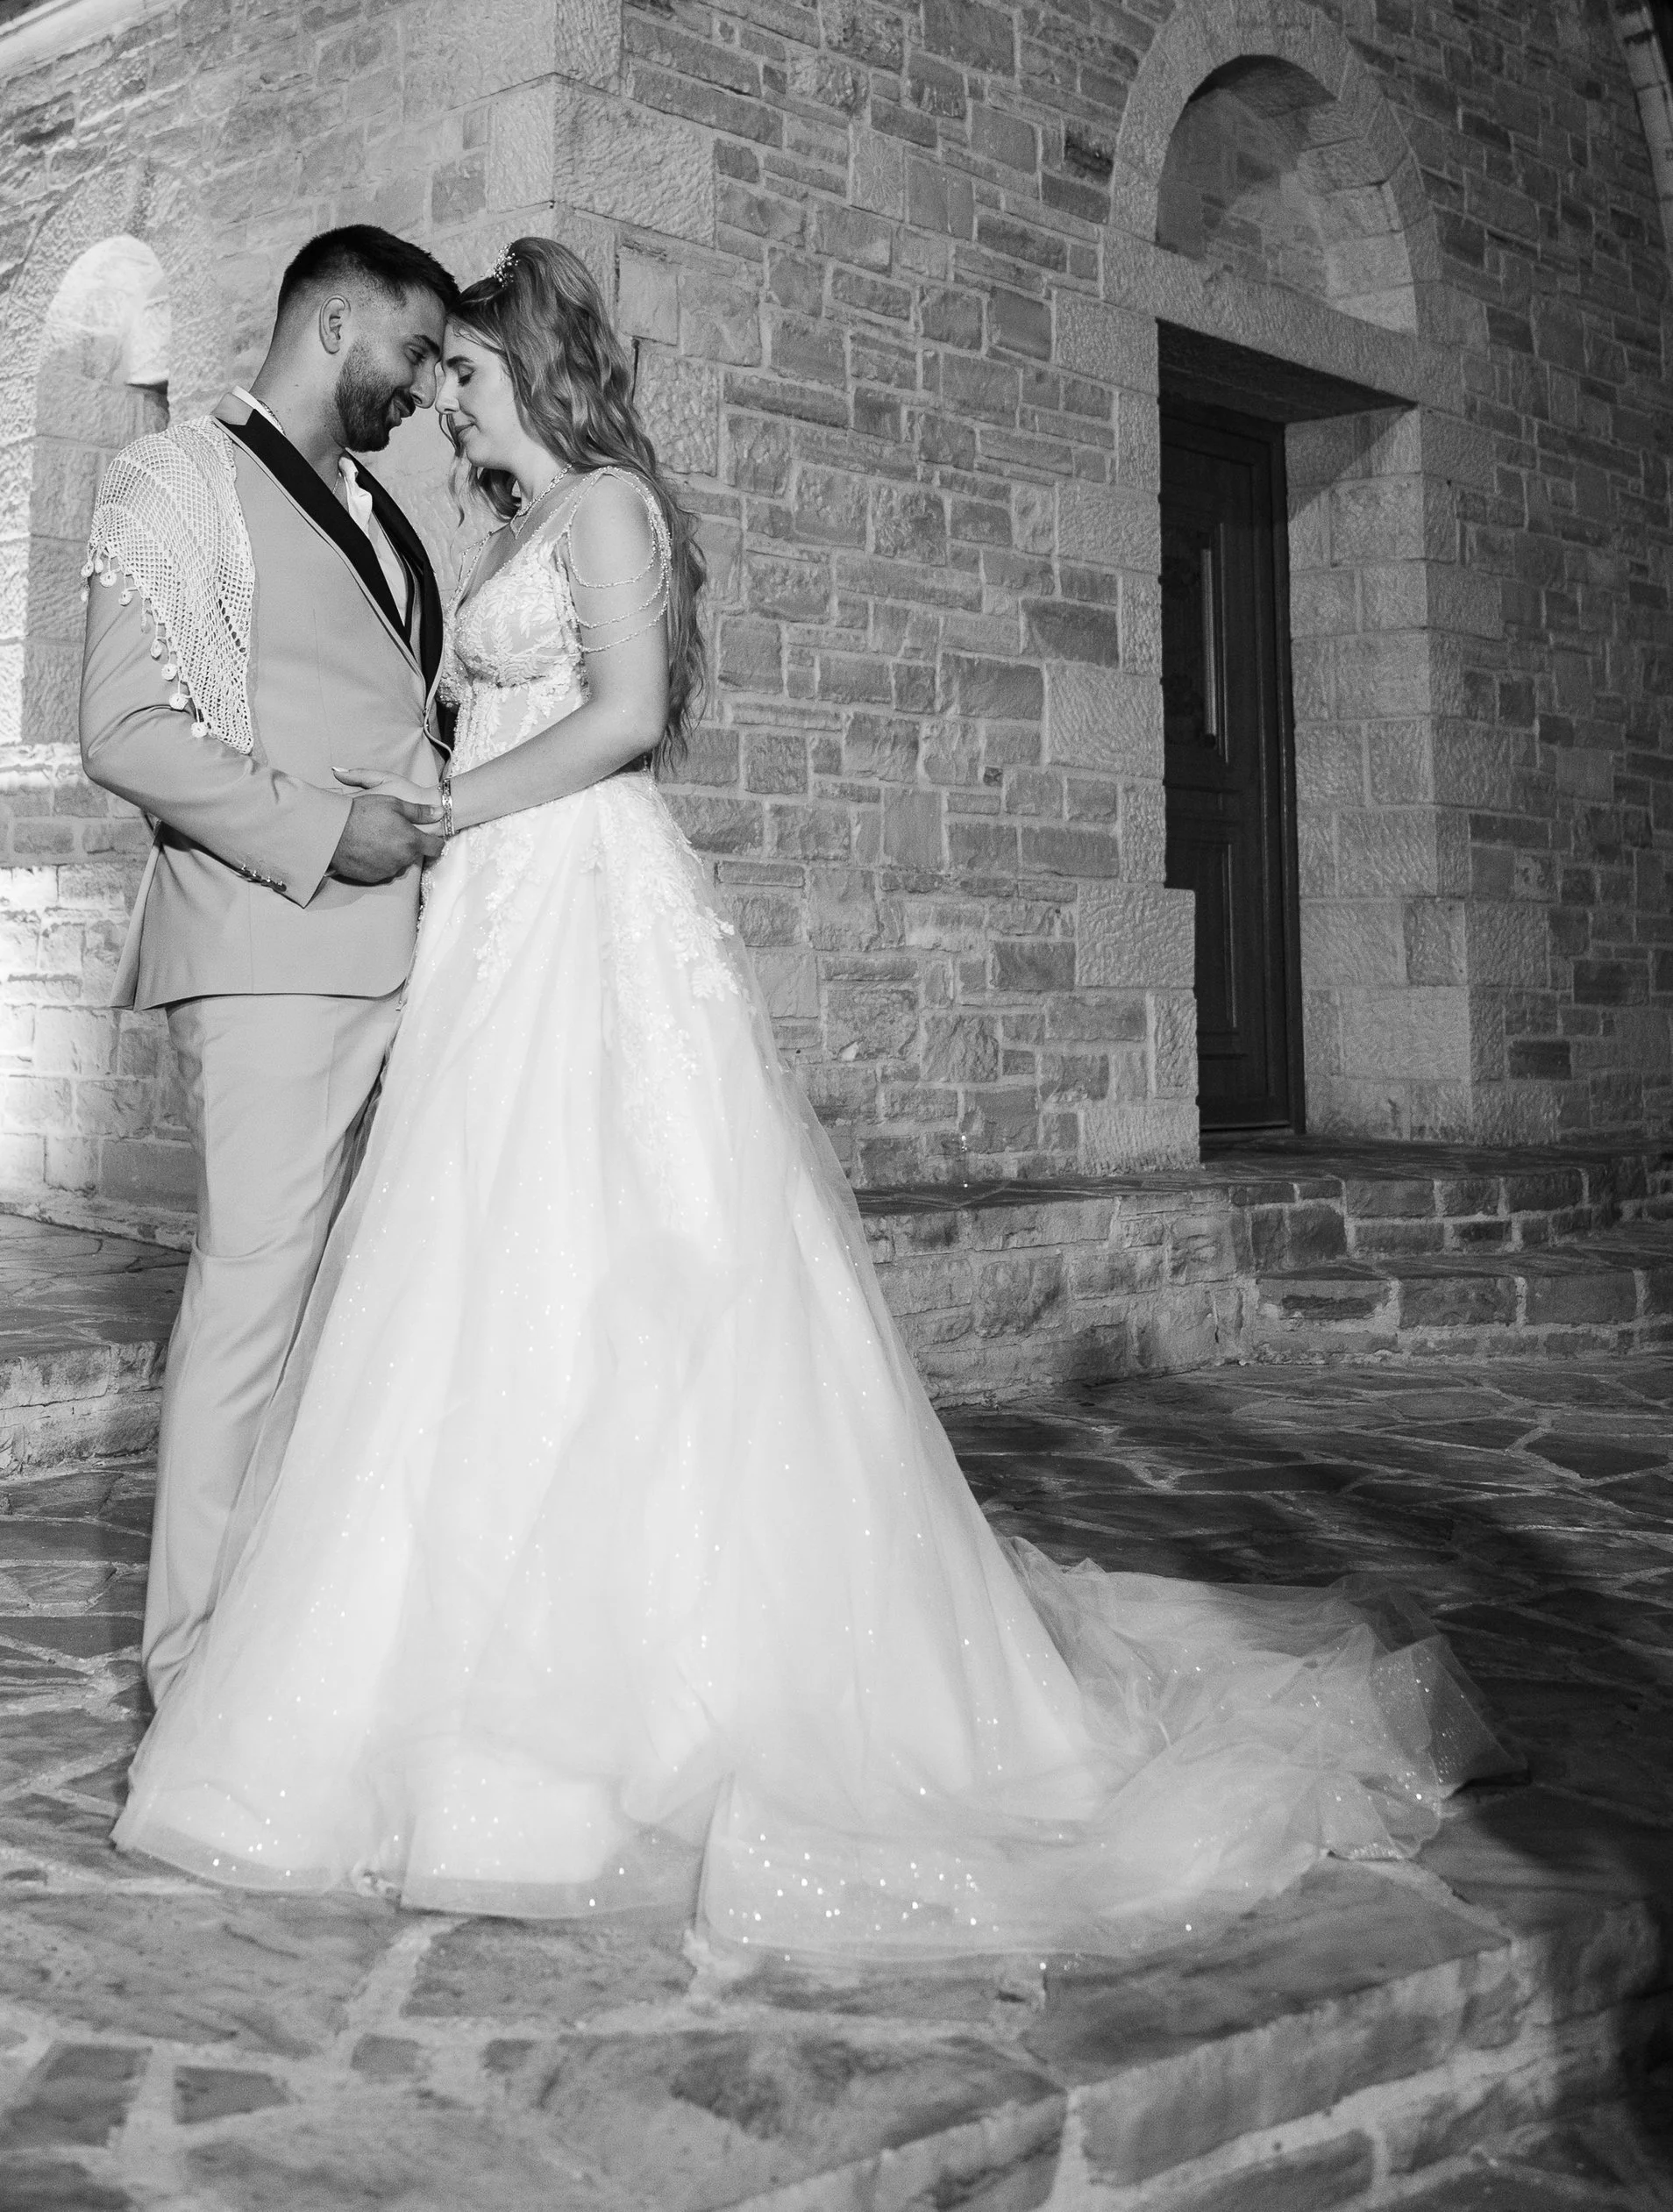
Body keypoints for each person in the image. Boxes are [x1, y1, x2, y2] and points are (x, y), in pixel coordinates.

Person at [111, 237, 1498, 1956]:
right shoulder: (491, 530)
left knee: (632, 1238)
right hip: (490, 916)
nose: (442, 397)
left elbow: (619, 719)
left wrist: (460, 817)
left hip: (570, 892)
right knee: (473, 1251)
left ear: (529, 367)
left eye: (464, 370)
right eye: (436, 368)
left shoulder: (606, 506)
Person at [79, 223, 459, 1707]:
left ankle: (310, 1639)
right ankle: (192, 1677)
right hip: (267, 958)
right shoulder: (176, 478)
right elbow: (126, 732)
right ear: (335, 321)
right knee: (248, 1304)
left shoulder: (383, 515)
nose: (426, 385)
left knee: (364, 1314)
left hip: (410, 963)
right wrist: (324, 833)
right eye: (415, 351)